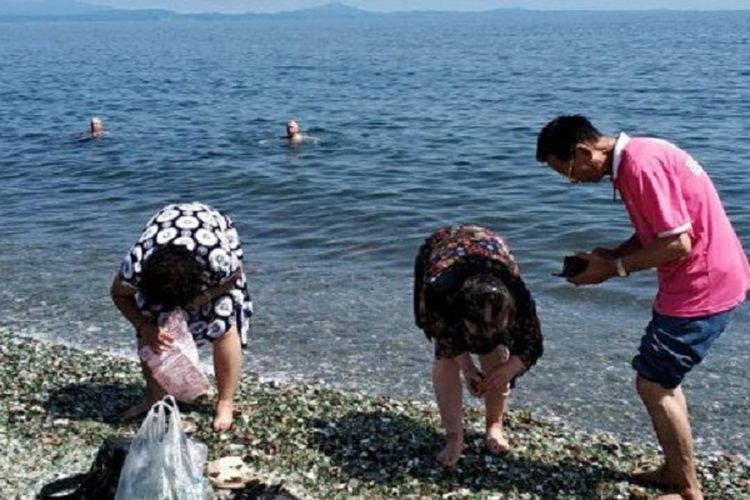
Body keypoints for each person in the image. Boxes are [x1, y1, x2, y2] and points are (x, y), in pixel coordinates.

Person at [536, 115, 750, 500]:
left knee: (652, 383)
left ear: (584, 152)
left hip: (701, 287)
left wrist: (613, 269)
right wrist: (616, 252)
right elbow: (662, 227)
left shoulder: (639, 167)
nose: (571, 180)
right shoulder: (641, 154)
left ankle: (687, 490)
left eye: (567, 170)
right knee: (663, 381)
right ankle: (675, 469)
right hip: (709, 277)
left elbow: (678, 243)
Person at [111, 202, 253, 431]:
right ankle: (154, 398)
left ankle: (225, 401)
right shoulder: (137, 264)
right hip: (165, 229)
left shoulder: (217, 259)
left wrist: (203, 297)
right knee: (153, 329)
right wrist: (143, 325)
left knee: (224, 325)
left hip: (212, 231)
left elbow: (235, 277)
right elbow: (118, 294)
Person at [414, 224, 543, 466]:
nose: (484, 337)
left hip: (491, 251)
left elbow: (532, 344)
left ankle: (495, 425)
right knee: (445, 358)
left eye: (496, 328)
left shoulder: (520, 298)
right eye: (476, 331)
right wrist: (466, 366)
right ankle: (454, 437)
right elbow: (442, 335)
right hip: (443, 251)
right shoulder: (439, 293)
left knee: (496, 351)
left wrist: (508, 369)